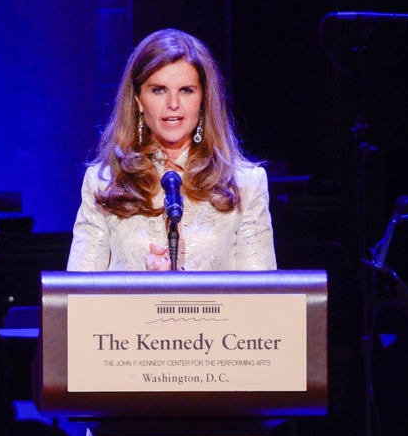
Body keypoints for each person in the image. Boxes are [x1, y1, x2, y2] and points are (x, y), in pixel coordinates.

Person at [67, 28, 276, 272]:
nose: (173, 105)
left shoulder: (244, 185)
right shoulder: (104, 183)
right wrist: (144, 288)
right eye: (159, 90)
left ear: (203, 100)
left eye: (186, 90)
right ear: (138, 100)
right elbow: (77, 297)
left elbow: (262, 298)